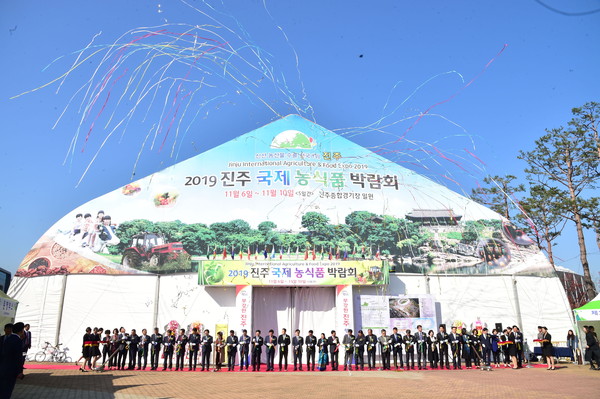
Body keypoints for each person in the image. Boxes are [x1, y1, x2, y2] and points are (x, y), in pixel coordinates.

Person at [0, 321, 25, 399]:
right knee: (7, 389)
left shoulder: (6, 339)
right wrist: (20, 371)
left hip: (2, 367)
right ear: (21, 331)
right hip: (11, 370)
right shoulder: (17, 340)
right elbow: (18, 357)